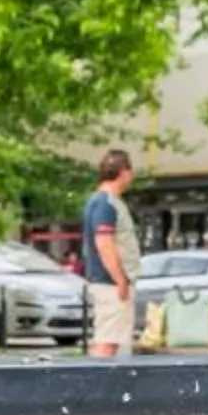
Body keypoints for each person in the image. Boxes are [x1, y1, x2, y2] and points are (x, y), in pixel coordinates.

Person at [84, 147, 140, 359]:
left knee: (111, 340)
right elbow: (104, 242)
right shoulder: (105, 203)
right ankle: (98, 388)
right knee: (108, 342)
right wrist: (120, 280)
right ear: (124, 172)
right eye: (130, 170)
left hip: (110, 283)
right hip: (111, 284)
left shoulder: (102, 202)